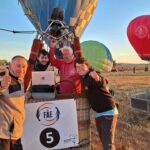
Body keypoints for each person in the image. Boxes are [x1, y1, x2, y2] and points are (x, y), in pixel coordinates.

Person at [75, 57, 118, 150]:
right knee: (104, 140)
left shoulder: (92, 75)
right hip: (99, 113)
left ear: (87, 66)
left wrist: (98, 78)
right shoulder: (84, 78)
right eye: (77, 67)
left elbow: (101, 81)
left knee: (108, 143)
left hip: (108, 111)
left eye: (82, 66)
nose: (79, 69)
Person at [0, 55, 28, 150]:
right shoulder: (3, 78)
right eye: (18, 66)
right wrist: (1, 85)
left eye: (24, 66)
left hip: (16, 133)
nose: (21, 69)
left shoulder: (22, 80)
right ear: (11, 66)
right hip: (3, 135)